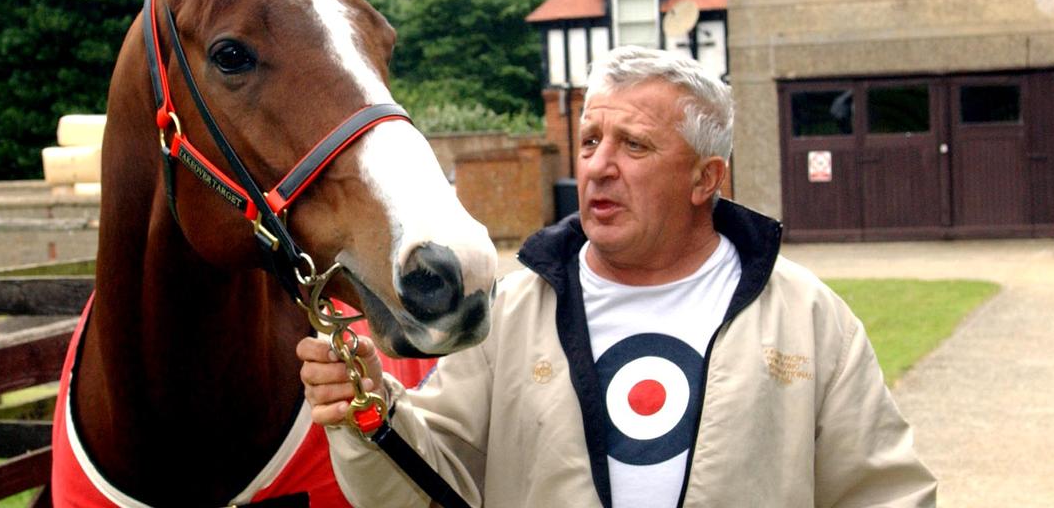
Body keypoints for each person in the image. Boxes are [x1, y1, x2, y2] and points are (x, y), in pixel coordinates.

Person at [298, 46, 937, 507]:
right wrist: (372, 415)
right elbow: (429, 488)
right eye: (589, 141)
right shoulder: (513, 313)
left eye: (634, 145)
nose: (598, 167)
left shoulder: (806, 315)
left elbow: (885, 493)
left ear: (705, 179)